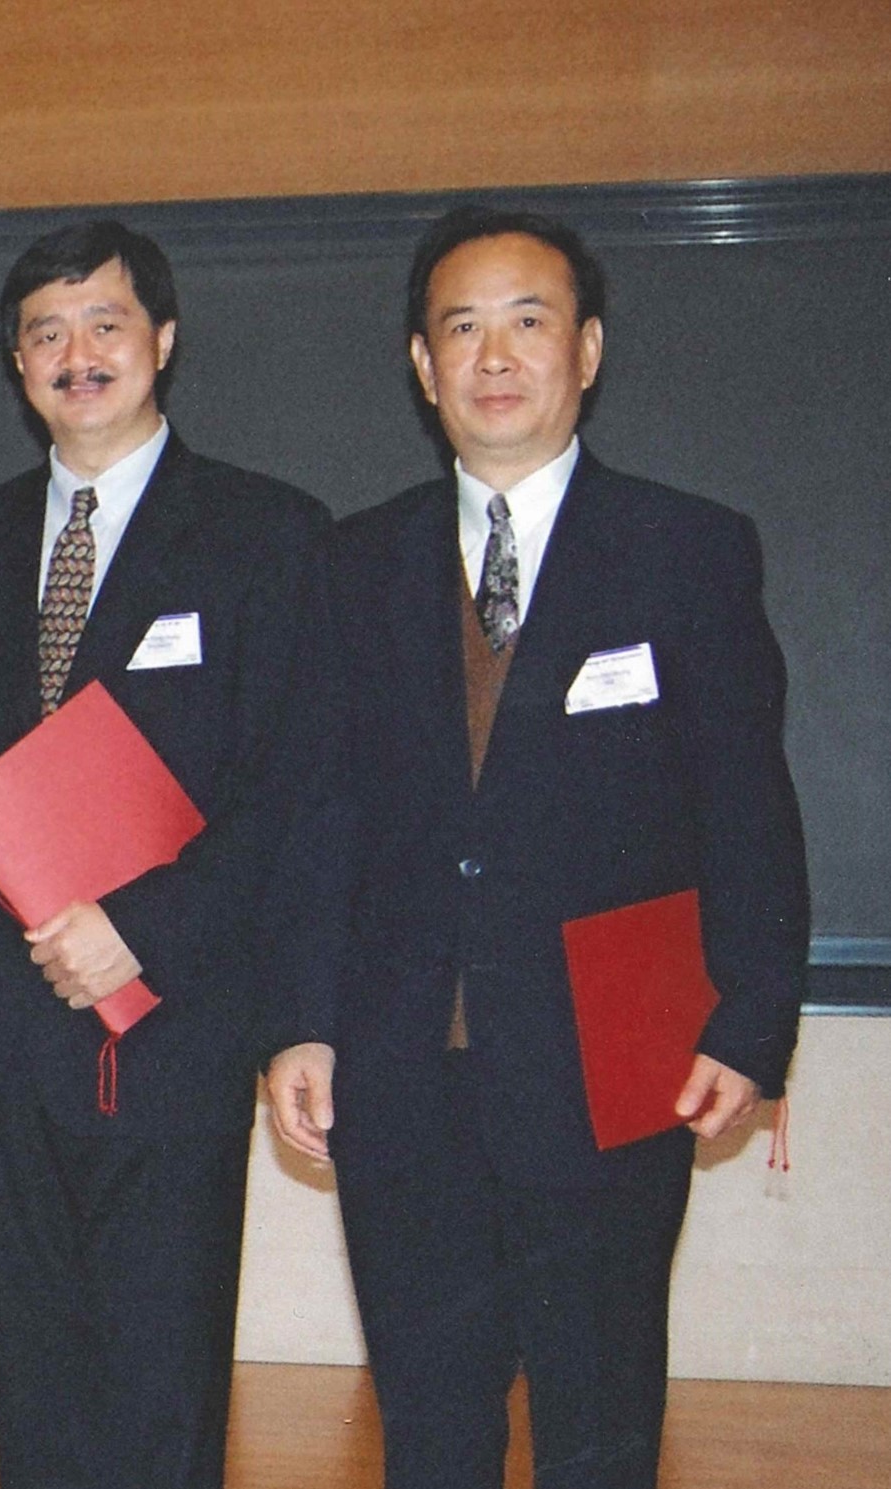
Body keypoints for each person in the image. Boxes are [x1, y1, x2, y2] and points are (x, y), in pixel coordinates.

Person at [266, 206, 807, 1489]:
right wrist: (299, 1019)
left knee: (599, 1423)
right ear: (420, 365)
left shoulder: (686, 549)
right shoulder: (352, 562)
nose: (493, 355)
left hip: (613, 1062)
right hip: (399, 1073)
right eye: (461, 328)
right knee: (428, 1427)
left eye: (526, 321)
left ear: (587, 349)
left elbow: (744, 800)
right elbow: (314, 812)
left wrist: (749, 1019)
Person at [0, 220, 330, 1488]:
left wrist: (146, 921)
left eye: (104, 324)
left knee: (158, 1370)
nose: (74, 353)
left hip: (171, 1011)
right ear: (15, 364)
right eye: (44, 332)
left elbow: (291, 791)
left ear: (162, 342)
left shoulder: (265, 532)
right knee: (30, 1374)